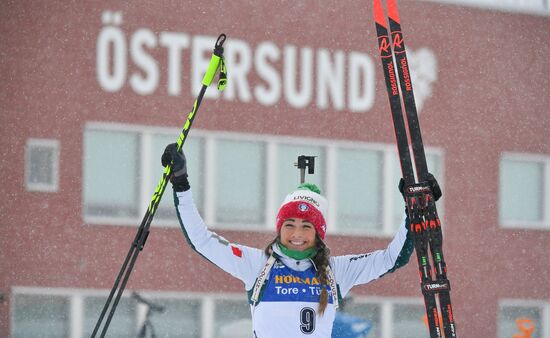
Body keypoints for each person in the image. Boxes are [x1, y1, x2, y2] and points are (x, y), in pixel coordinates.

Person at [161, 143, 442, 338]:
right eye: (290, 224)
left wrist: (413, 212)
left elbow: (392, 258)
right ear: (279, 229)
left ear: (318, 233)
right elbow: (202, 240)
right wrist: (181, 183)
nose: (297, 234)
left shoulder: (336, 271)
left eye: (307, 226)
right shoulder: (257, 264)